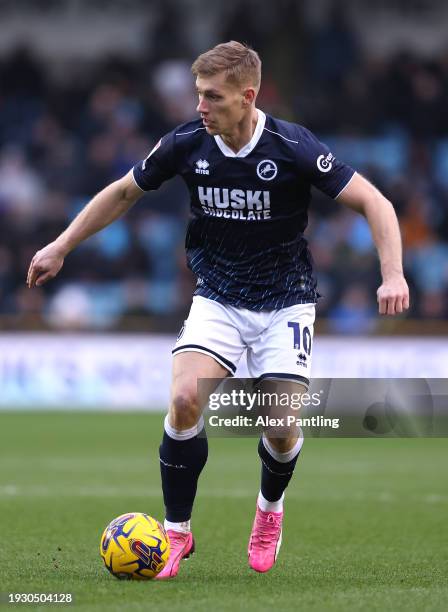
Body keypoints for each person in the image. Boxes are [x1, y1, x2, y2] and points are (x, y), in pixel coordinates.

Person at [27, 41, 409, 578]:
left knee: (279, 427)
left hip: (286, 302)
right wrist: (61, 245)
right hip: (219, 297)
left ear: (247, 96)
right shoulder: (186, 143)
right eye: (198, 95)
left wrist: (392, 273)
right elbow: (121, 193)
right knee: (184, 398)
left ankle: (269, 511)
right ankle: (177, 532)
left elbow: (376, 202)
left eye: (212, 96)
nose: (200, 107)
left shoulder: (292, 147)